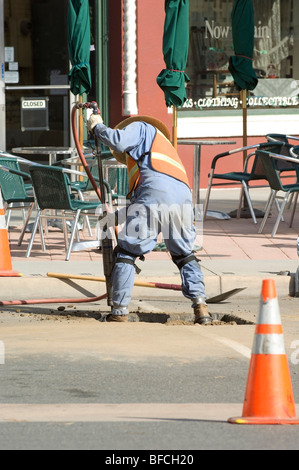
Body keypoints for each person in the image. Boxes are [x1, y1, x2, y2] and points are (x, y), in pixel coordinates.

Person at [87, 114, 212, 325]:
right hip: (183, 201)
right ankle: (201, 307)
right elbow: (144, 202)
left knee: (127, 252)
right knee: (184, 255)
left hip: (157, 198)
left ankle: (119, 311)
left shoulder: (141, 128)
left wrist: (97, 127)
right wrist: (112, 219)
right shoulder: (161, 154)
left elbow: (117, 140)